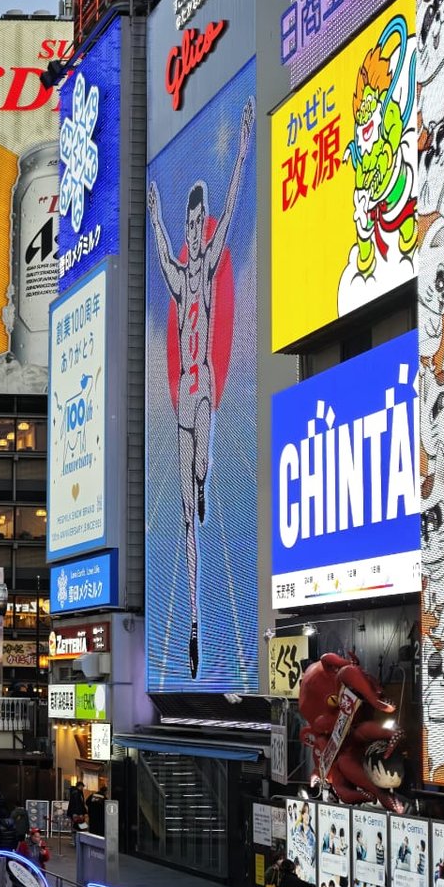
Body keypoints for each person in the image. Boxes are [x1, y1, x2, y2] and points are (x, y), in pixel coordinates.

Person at [147, 95, 256, 676]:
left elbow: (235, 205)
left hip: (205, 386)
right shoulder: (178, 272)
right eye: (190, 224)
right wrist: (155, 211)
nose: (194, 230)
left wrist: (242, 149)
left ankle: (202, 479)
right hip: (183, 397)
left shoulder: (209, 265)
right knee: (187, 511)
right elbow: (162, 250)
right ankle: (192, 620)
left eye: (198, 221)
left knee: (199, 472)